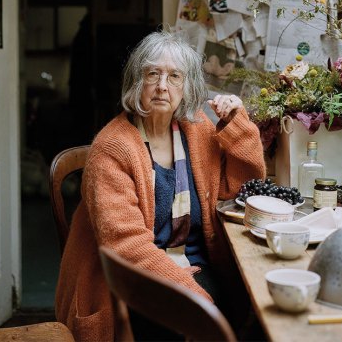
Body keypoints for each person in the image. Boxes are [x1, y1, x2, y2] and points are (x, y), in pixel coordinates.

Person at [55, 30, 266, 341]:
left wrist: (237, 125)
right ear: (136, 82)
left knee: (260, 311)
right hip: (130, 283)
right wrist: (194, 300)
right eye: (152, 74)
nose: (162, 86)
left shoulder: (196, 128)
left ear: (187, 86)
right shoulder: (112, 148)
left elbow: (239, 192)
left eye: (174, 76)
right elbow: (127, 247)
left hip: (194, 263)